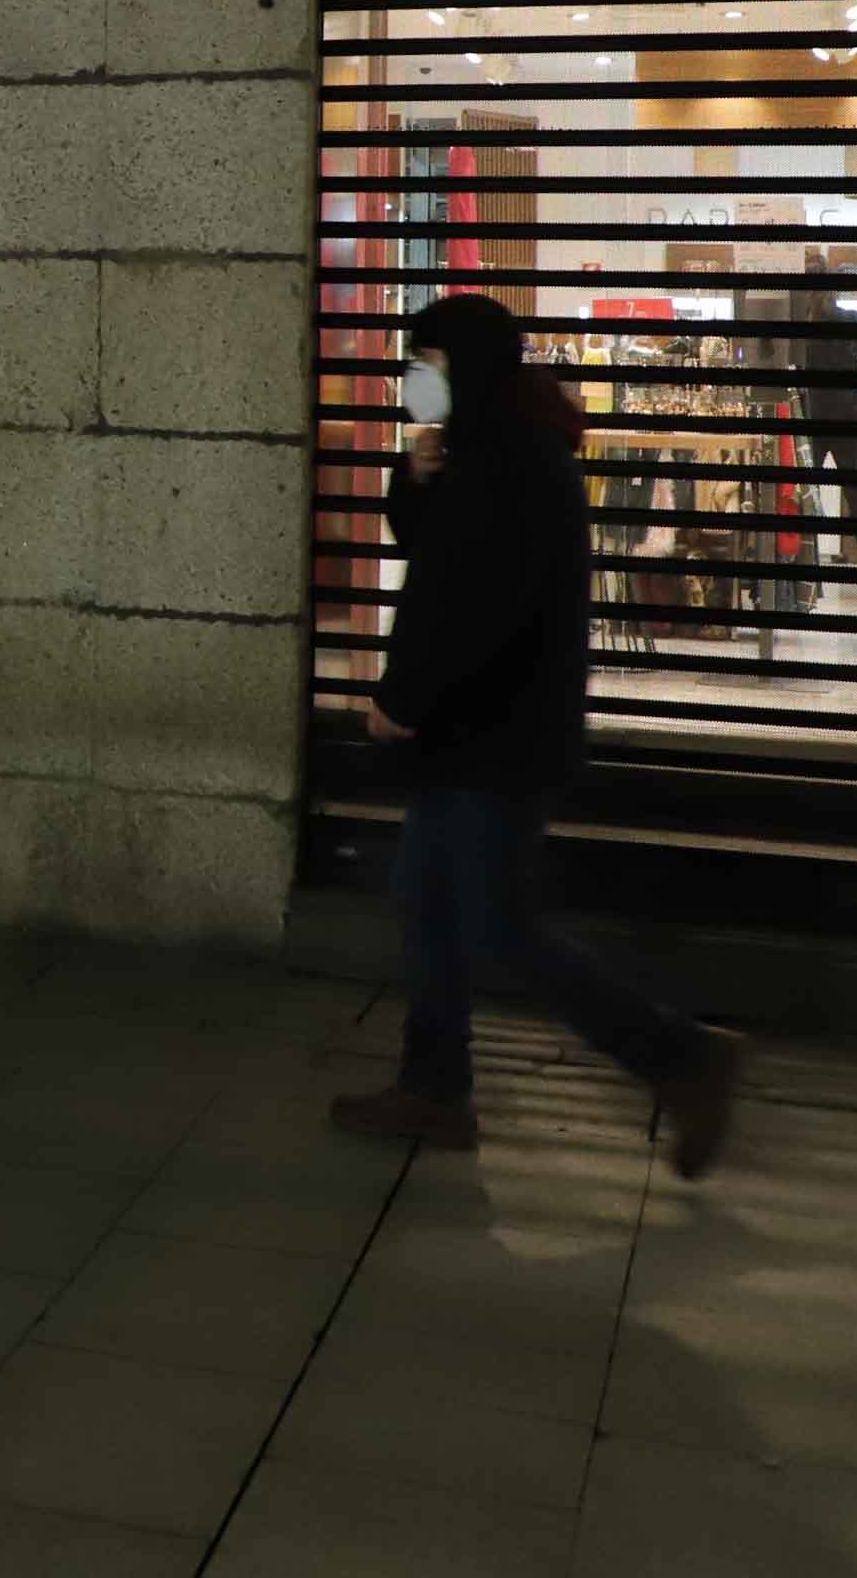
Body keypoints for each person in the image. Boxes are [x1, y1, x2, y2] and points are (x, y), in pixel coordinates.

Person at [331, 291, 744, 1174]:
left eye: (429, 365)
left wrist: (399, 700)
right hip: (477, 731)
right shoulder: (480, 446)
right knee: (426, 901)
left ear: (468, 367)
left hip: (496, 735)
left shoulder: (511, 461)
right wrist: (420, 458)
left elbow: (468, 605)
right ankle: (434, 1087)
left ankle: (684, 1057)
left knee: (499, 926)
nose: (417, 380)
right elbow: (421, 535)